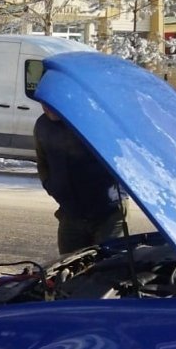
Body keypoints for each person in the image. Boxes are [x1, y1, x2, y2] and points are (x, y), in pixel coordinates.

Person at [33, 104, 126, 255]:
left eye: (51, 104)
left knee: (107, 268)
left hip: (108, 212)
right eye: (43, 103)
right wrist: (51, 186)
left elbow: (123, 157)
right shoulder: (43, 125)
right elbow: (42, 161)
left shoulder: (96, 121)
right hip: (71, 212)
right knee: (69, 267)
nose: (46, 108)